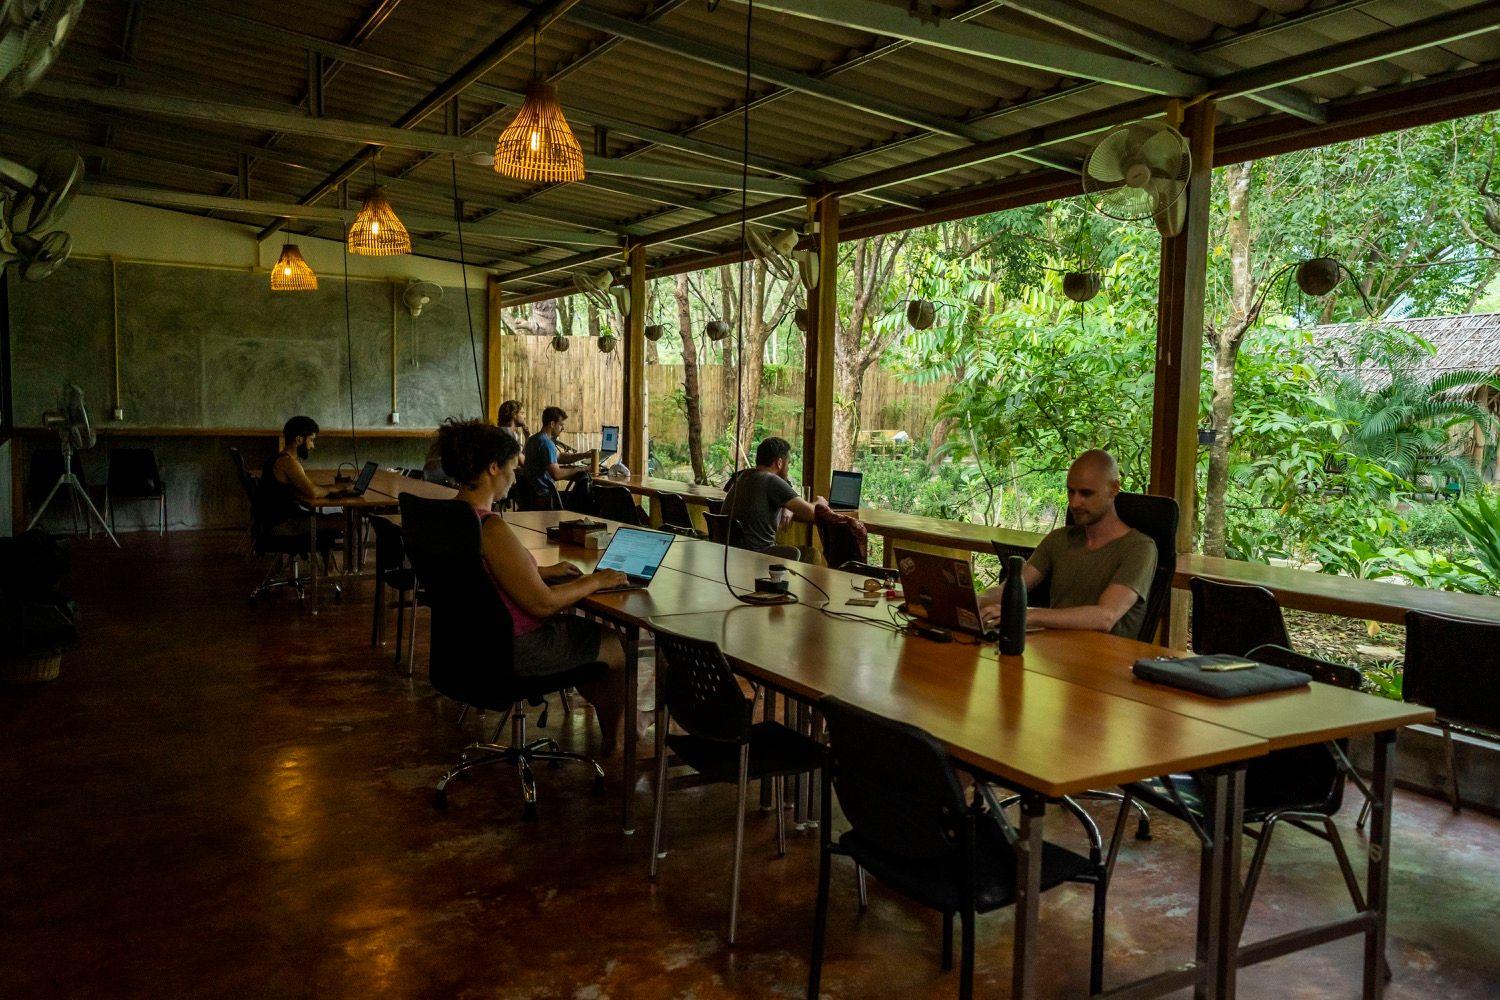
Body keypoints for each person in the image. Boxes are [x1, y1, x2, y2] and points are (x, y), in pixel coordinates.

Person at [439, 418, 631, 754]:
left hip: (466, 646)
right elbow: (542, 605)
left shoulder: (451, 518)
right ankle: (619, 741)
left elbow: (482, 575)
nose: (515, 478)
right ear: (493, 468)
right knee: (615, 644)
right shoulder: (490, 528)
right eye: (512, 468)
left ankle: (625, 720)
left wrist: (539, 572)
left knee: (584, 640)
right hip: (513, 649)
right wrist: (595, 580)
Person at [979, 449, 1156, 638]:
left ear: (1113, 489)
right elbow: (1012, 587)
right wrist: (973, 600)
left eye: (1086, 494)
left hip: (1105, 659)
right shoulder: (1059, 539)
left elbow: (1105, 616)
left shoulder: (1139, 548)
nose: (1074, 503)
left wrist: (1027, 614)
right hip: (1055, 653)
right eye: (1071, 492)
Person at [722, 437, 827, 555]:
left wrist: (787, 507)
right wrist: (820, 503)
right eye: (788, 464)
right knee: (811, 554)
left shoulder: (743, 476)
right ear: (779, 463)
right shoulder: (771, 480)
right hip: (758, 556)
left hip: (732, 554)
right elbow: (812, 513)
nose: (788, 468)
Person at [258, 415, 336, 539]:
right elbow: (313, 492)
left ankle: (327, 555)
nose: (312, 446)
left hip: (274, 523)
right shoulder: (288, 463)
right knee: (344, 521)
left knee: (334, 519)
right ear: (299, 439)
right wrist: (337, 488)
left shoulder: (278, 458)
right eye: (311, 440)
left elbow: (307, 485)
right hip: (284, 526)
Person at [518, 406, 597, 509]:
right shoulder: (546, 443)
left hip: (533, 496)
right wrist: (582, 469)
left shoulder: (534, 439)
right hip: (545, 499)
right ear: (552, 424)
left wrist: (585, 455)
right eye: (561, 425)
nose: (562, 428)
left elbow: (560, 457)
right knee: (588, 500)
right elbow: (556, 474)